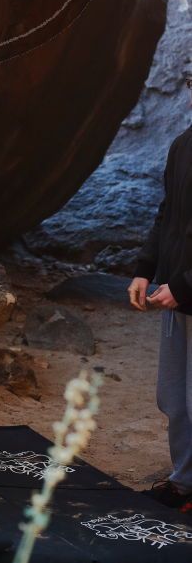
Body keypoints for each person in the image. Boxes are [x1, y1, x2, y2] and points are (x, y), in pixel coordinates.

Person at [127, 76, 192, 511]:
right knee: (175, 397)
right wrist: (144, 269)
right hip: (176, 295)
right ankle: (184, 484)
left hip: (184, 290)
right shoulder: (183, 144)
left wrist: (185, 286)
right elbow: (167, 214)